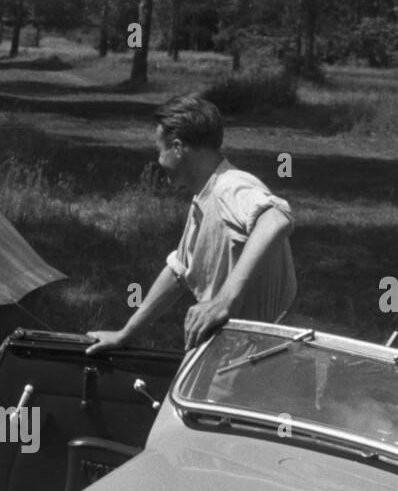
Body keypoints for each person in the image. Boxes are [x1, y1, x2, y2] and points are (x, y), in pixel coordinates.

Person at [86, 92, 296, 355]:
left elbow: (275, 219)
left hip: (254, 357)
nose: (159, 160)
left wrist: (223, 301)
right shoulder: (205, 196)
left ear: (176, 147)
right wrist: (125, 335)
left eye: (159, 150)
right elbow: (178, 271)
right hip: (232, 352)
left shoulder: (229, 187)